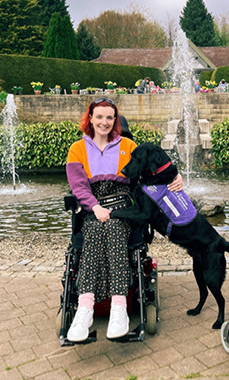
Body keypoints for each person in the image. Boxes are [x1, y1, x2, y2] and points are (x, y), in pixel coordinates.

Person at [65, 98, 182, 342]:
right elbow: (78, 185)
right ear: (90, 118)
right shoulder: (77, 148)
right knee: (95, 231)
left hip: (123, 203)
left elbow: (154, 164)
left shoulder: (127, 145)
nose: (104, 122)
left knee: (116, 227)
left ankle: (119, 308)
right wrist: (94, 206)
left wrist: (176, 175)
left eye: (109, 117)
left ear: (115, 120)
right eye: (99, 117)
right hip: (92, 205)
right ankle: (84, 309)